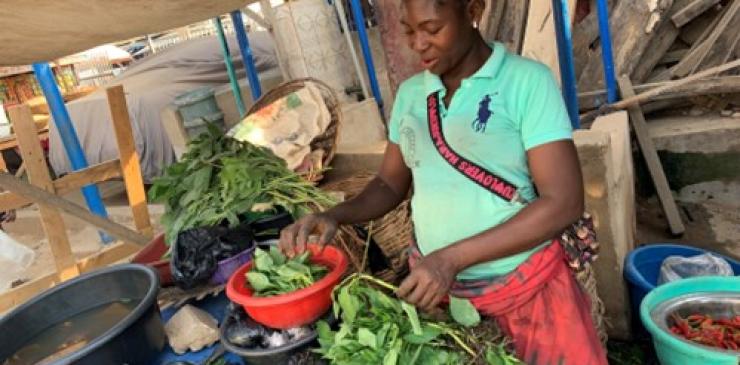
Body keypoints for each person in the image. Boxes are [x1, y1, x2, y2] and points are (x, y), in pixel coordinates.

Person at [279, 0, 608, 363]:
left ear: (472, 11)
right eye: (408, 31)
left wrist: (451, 259)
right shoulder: (410, 97)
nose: (418, 44)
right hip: (442, 299)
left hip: (526, 289)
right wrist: (335, 215)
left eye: (432, 29)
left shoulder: (526, 83)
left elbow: (563, 201)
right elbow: (389, 184)